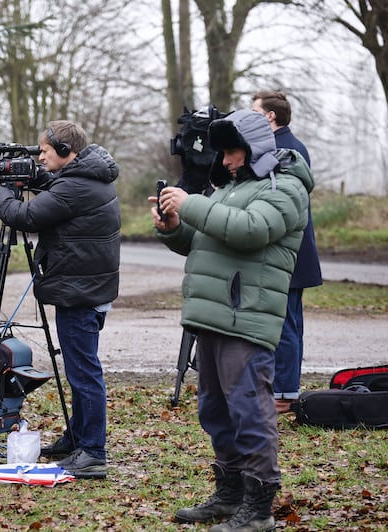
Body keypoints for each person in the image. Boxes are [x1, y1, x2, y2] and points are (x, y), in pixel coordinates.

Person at [152, 109, 313, 531]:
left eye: (233, 151)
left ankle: (258, 510)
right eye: (223, 153)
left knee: (249, 410)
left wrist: (193, 204)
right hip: (213, 316)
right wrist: (173, 225)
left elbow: (249, 230)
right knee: (216, 410)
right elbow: (203, 240)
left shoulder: (286, 187)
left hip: (246, 317)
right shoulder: (231, 189)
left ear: (256, 147)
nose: (225, 161)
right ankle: (230, 495)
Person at [0, 120, 120, 476]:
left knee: (84, 374)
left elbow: (22, 216)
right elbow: (56, 188)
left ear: (67, 153)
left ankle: (93, 453)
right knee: (80, 370)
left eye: (44, 151)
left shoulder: (76, 187)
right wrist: (32, 177)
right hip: (86, 288)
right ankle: (78, 439)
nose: (39, 156)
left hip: (80, 293)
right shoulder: (85, 177)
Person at [252, 90, 323, 414]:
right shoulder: (291, 145)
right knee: (288, 321)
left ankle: (285, 392)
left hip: (291, 253)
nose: (251, 117)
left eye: (255, 112)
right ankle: (283, 387)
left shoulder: (285, 149)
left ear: (270, 116)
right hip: (295, 252)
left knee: (287, 324)